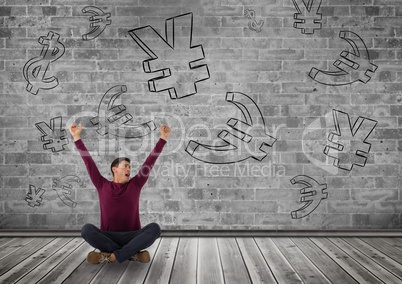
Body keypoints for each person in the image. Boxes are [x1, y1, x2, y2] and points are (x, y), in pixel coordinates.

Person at [68, 122, 171, 264]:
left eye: (130, 167)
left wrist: (163, 138)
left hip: (132, 236)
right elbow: (88, 162)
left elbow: (150, 162)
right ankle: (130, 254)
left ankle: (110, 256)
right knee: (86, 230)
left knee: (155, 228)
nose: (129, 169)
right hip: (108, 237)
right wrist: (76, 137)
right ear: (114, 169)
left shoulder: (136, 184)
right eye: (125, 166)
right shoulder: (101, 184)